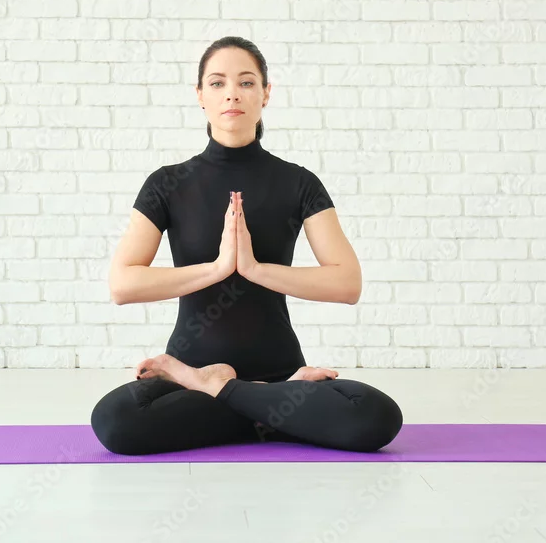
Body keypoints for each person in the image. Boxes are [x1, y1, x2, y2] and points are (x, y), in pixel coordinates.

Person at [89, 36, 403, 455]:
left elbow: (348, 284)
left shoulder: (298, 182)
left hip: (278, 377)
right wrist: (218, 268)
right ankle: (262, 410)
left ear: (265, 94)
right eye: (217, 83)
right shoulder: (167, 184)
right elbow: (122, 285)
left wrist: (254, 269)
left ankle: (224, 391)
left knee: (376, 416)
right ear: (200, 95)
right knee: (115, 421)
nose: (232, 93)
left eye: (247, 82)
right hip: (191, 376)